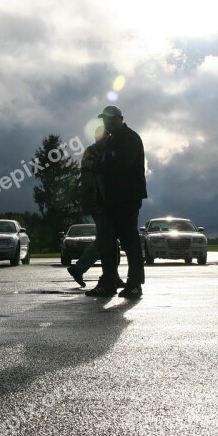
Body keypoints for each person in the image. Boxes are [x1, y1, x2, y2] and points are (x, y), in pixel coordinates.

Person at [84, 105, 147, 298]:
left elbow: (120, 166)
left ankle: (135, 284)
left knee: (129, 242)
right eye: (104, 119)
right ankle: (108, 283)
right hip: (110, 201)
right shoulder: (113, 140)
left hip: (126, 199)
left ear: (120, 118)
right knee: (107, 243)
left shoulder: (129, 139)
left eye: (111, 119)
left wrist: (94, 165)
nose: (107, 123)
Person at [66, 126, 124, 288]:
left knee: (110, 241)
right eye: (104, 135)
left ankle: (111, 276)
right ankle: (80, 268)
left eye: (108, 135)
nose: (107, 138)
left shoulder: (107, 152)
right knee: (106, 240)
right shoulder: (92, 153)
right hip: (98, 204)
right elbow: (91, 172)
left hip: (105, 203)